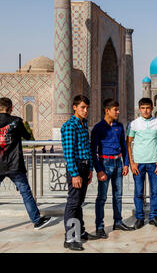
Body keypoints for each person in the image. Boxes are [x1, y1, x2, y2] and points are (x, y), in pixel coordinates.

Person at [0, 97, 52, 230]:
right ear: (11, 108)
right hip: (14, 165)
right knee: (25, 193)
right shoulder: (16, 121)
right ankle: (37, 221)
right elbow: (28, 136)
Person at [91, 98, 135, 239]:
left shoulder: (119, 126)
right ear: (107, 110)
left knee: (118, 196)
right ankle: (99, 227)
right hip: (105, 164)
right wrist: (99, 170)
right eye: (115, 109)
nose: (118, 112)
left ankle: (118, 221)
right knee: (102, 198)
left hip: (117, 164)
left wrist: (126, 163)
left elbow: (124, 146)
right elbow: (93, 151)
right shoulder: (98, 128)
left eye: (118, 109)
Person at [61, 95, 98, 251]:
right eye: (82, 107)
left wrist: (90, 169)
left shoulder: (83, 125)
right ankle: (70, 238)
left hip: (84, 167)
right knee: (73, 202)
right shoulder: (70, 126)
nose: (85, 110)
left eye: (87, 108)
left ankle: (80, 232)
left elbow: (87, 149)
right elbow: (69, 153)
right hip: (76, 168)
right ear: (74, 107)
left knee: (79, 203)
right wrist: (75, 174)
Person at [127, 98, 157, 229]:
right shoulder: (134, 124)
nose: (145, 110)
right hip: (138, 163)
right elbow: (128, 143)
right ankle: (139, 218)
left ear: (152, 108)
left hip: (154, 163)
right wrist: (132, 162)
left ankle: (153, 217)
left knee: (154, 192)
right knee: (139, 192)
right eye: (143, 108)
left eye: (148, 108)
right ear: (139, 109)